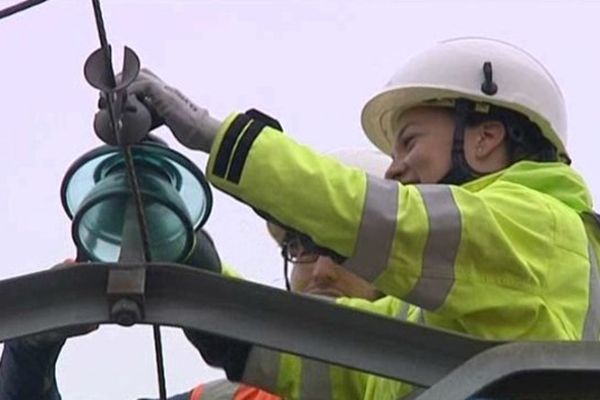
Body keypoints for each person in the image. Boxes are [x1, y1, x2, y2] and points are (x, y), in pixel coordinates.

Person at [120, 36, 600, 399]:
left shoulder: (542, 230)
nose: (394, 168)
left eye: (410, 141)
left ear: (485, 138)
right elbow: (332, 351)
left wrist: (211, 134)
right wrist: (193, 266)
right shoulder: (440, 312)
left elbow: (387, 218)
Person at [0, 150, 419, 399]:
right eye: (301, 250)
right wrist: (32, 349)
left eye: (347, 253)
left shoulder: (436, 371)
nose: (322, 272)